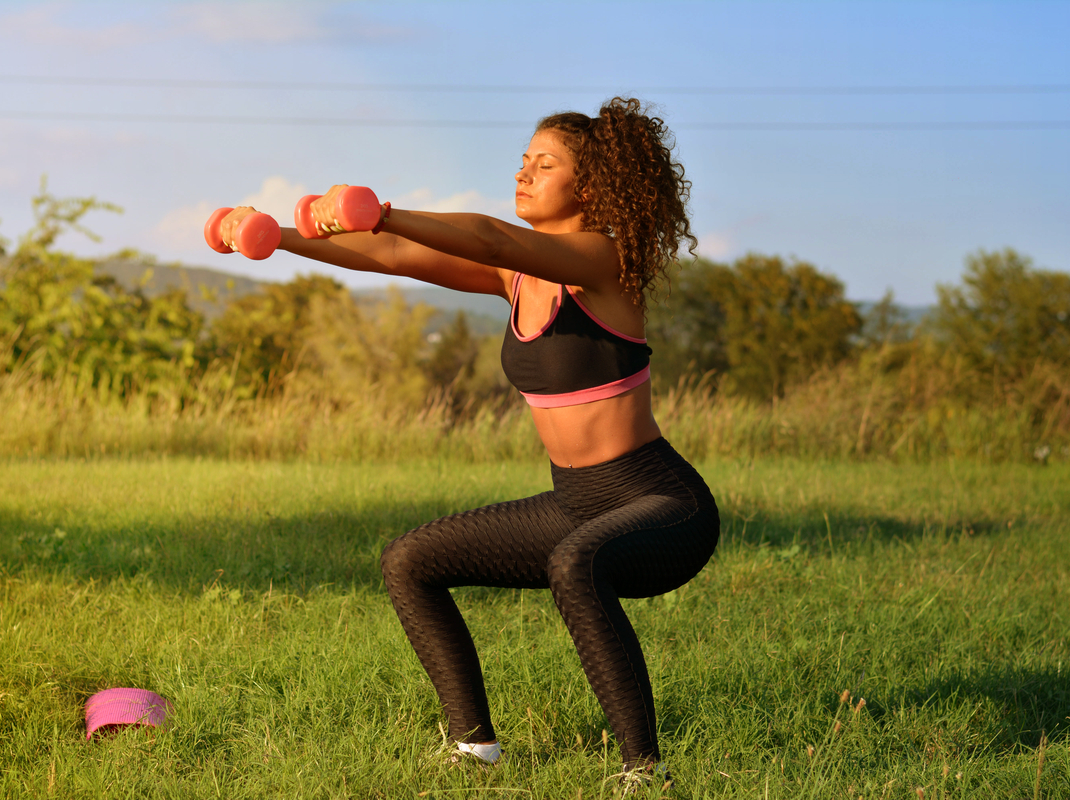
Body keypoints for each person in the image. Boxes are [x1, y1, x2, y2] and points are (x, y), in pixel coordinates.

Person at [217, 97, 719, 790]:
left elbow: (487, 236)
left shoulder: (603, 260)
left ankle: (645, 771)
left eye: (545, 165)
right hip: (578, 501)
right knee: (411, 560)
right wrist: (276, 235)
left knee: (575, 564)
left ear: (593, 188)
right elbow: (395, 255)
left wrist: (382, 208)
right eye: (523, 161)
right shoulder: (517, 278)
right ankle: (473, 747)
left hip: (661, 505)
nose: (524, 173)